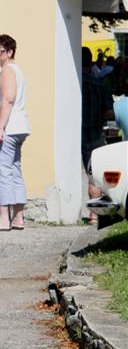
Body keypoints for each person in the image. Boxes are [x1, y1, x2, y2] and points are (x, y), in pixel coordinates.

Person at [0, 34, 31, 231]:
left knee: (1, 171)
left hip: (7, 128)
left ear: (9, 52)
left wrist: (0, 127)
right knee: (14, 171)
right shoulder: (14, 71)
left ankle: (4, 218)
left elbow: (8, 99)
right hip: (18, 127)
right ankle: (18, 217)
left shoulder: (8, 71)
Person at [81, 47, 114, 222]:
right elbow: (110, 113)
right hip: (94, 133)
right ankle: (95, 214)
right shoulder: (99, 84)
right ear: (91, 62)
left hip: (74, 136)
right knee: (94, 174)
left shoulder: (72, 83)